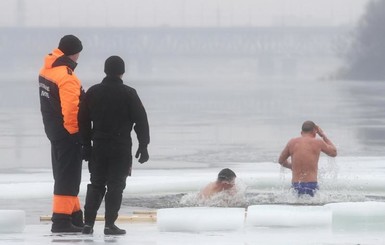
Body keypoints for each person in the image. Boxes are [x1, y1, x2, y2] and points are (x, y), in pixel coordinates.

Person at [78, 55, 150, 235]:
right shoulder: (129, 93)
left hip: (99, 146)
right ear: (122, 71)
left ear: (105, 70)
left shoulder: (92, 92)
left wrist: (86, 146)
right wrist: (144, 145)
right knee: (116, 186)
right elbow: (141, 121)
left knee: (96, 184)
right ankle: (110, 225)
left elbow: (83, 121)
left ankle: (88, 224)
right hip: (120, 147)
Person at [38, 35, 85, 232]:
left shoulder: (46, 71)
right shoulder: (66, 77)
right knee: (68, 176)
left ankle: (74, 215)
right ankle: (61, 221)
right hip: (67, 133)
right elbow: (71, 109)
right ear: (73, 53)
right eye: (78, 54)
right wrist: (76, 135)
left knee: (66, 174)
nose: (78, 59)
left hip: (53, 129)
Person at [278, 120, 337, 197]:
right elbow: (334, 152)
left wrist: (292, 166)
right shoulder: (318, 142)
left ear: (301, 133)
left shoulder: (292, 142)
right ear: (314, 131)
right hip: (311, 185)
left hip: (296, 185)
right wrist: (323, 135)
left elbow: (281, 160)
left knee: (296, 206)